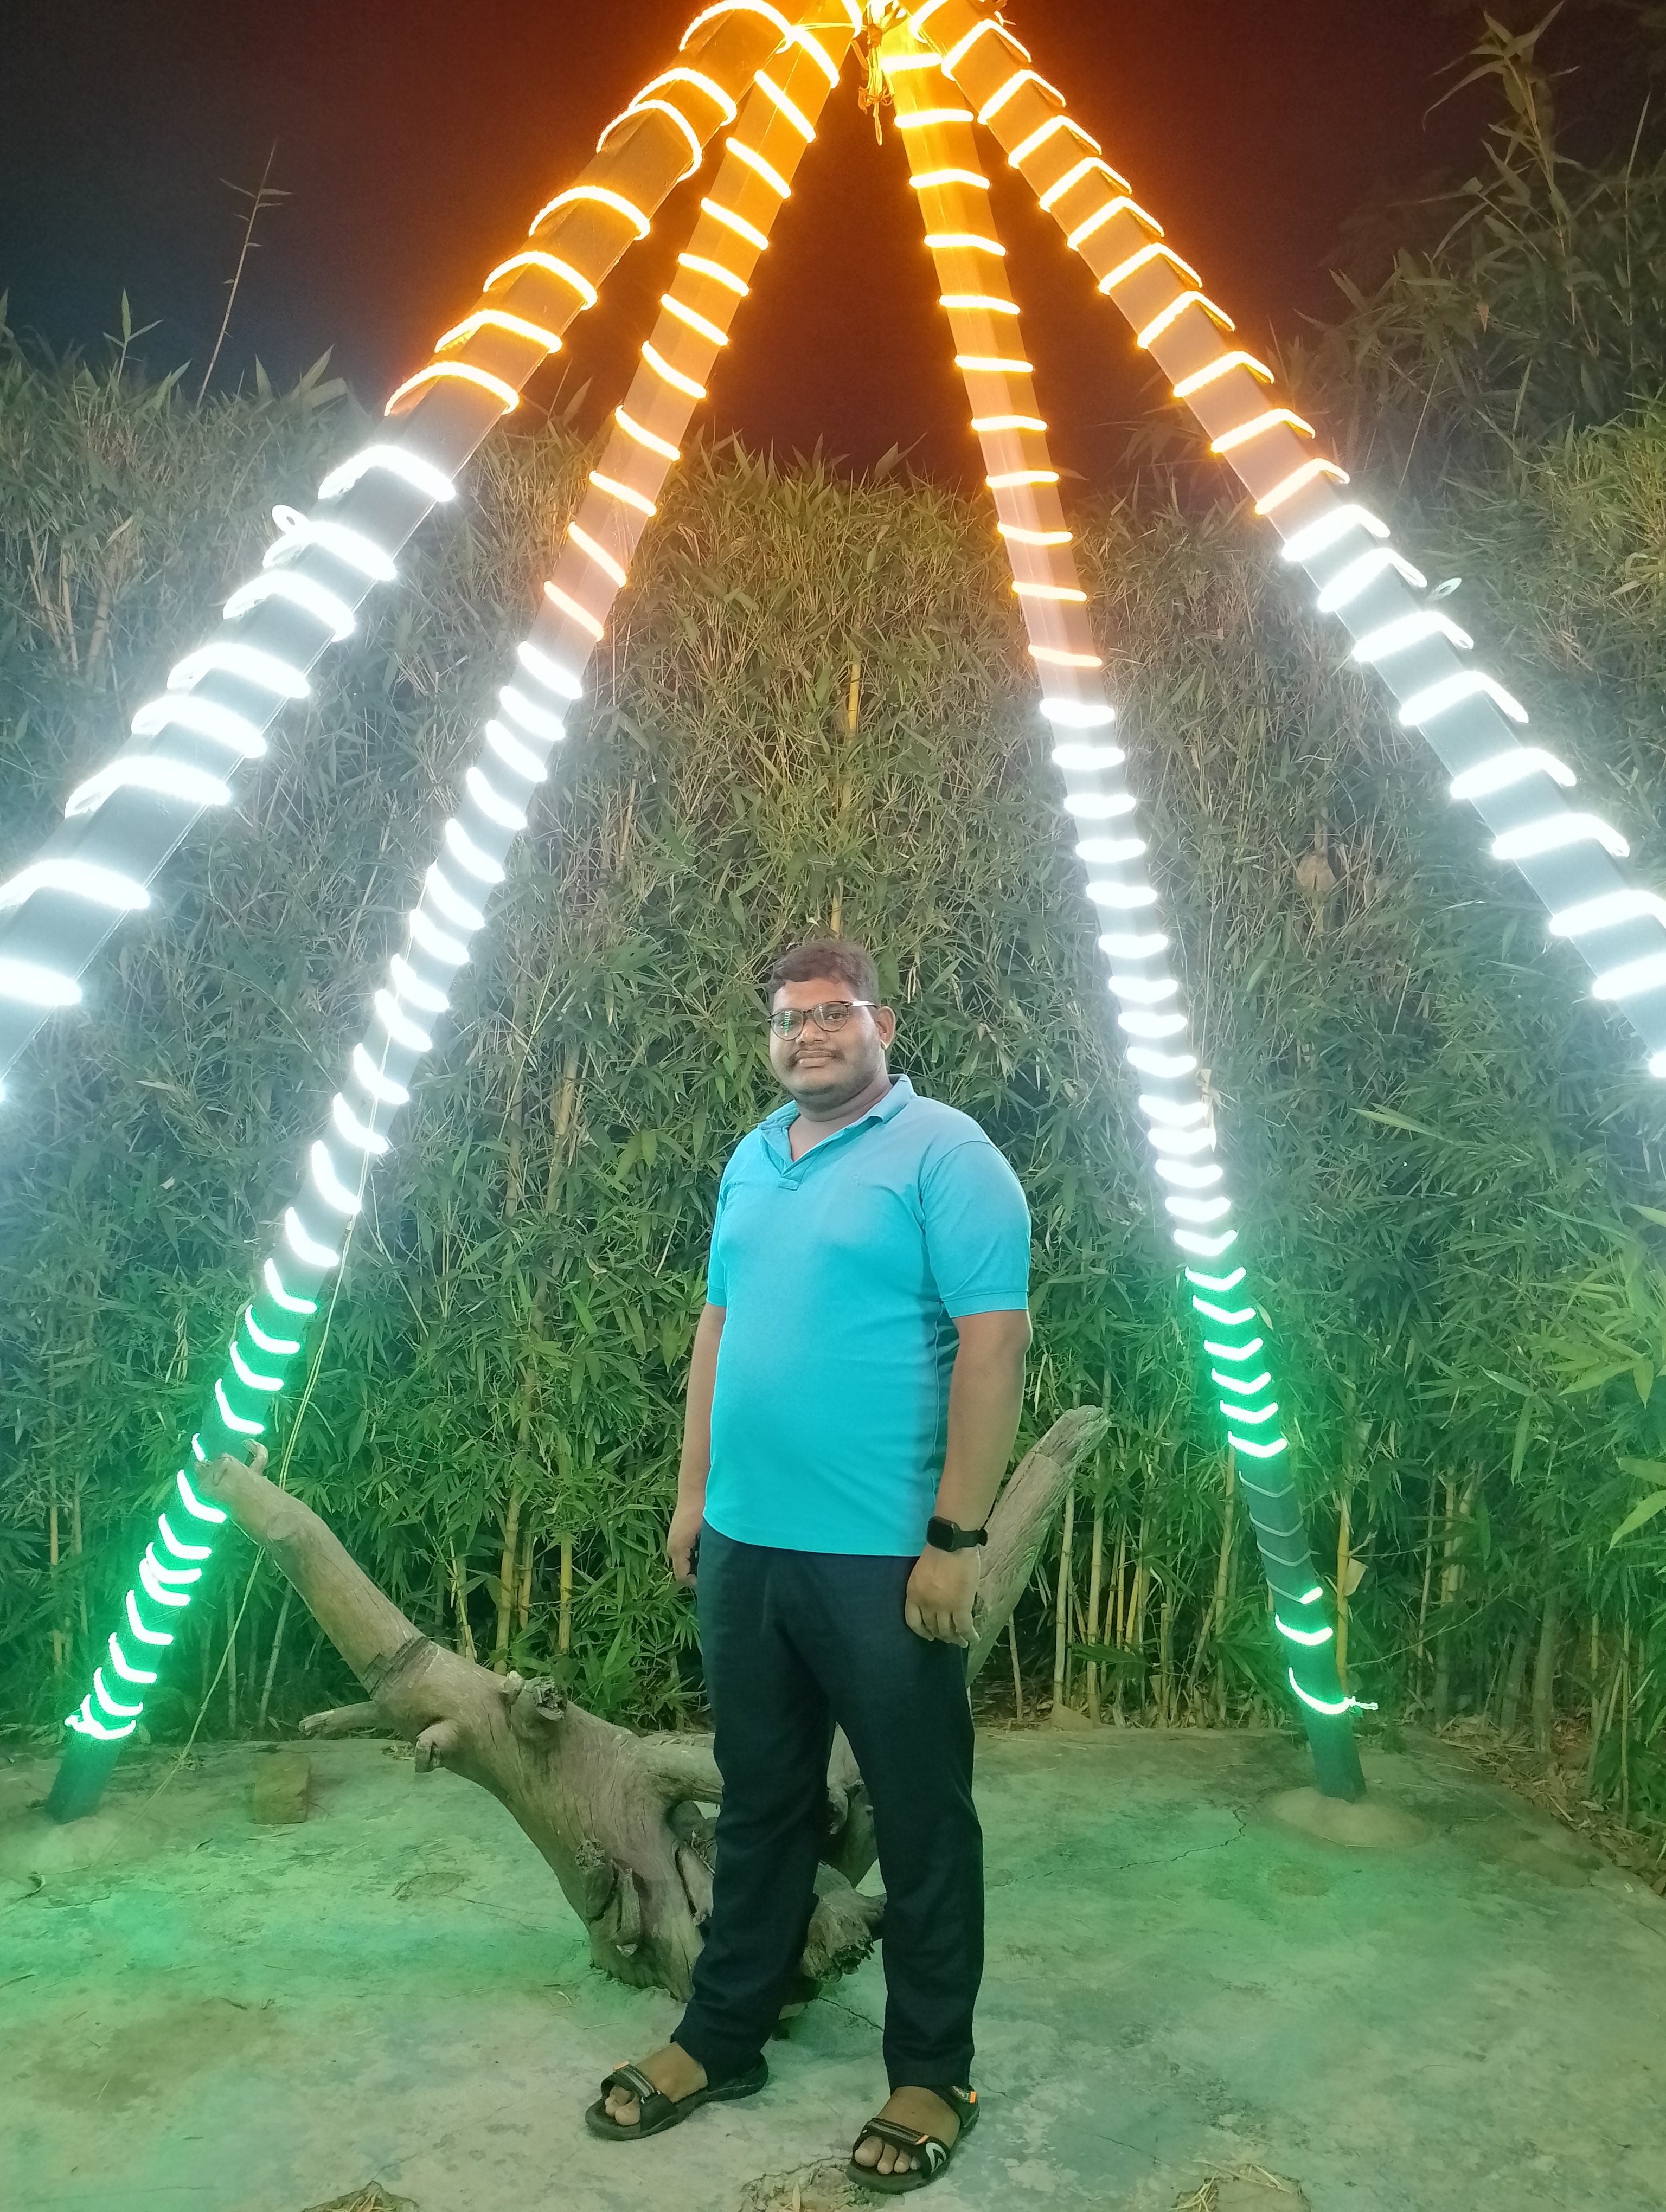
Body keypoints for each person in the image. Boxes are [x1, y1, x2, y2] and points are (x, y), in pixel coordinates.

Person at [584, 937, 1033, 2192]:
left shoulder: (945, 1153)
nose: (810, 1035)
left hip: (881, 1556)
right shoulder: (753, 1158)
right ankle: (725, 2036)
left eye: (833, 1013)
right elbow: (718, 1327)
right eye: (789, 1019)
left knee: (923, 1816)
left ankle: (934, 2072)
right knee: (762, 1800)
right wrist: (694, 1498)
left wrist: (956, 1539)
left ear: (883, 1022)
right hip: (747, 1547)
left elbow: (996, 1345)